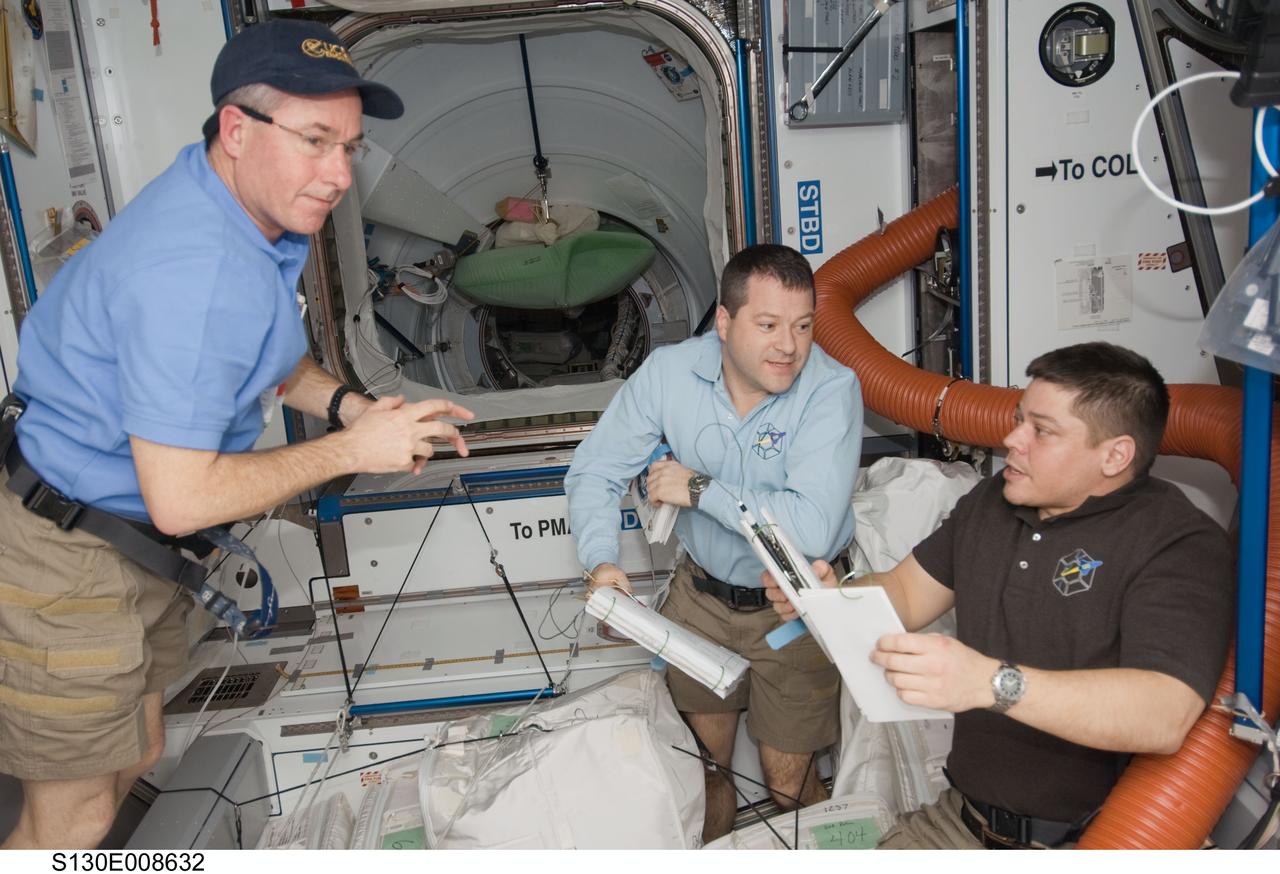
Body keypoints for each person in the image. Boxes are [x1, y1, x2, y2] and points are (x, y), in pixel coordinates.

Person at [0, 20, 473, 849]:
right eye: (316, 141)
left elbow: (279, 364)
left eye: (350, 148)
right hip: (63, 557)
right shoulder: (193, 272)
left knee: (139, 750)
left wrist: (350, 409)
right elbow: (182, 500)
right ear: (237, 129)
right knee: (66, 821)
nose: (336, 176)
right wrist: (353, 454)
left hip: (128, 547)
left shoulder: (246, 217)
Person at [764, 342, 1234, 849]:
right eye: (1018, 419)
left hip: (1092, 839)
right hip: (961, 819)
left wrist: (991, 683)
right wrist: (829, 598)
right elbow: (903, 593)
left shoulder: (1177, 544)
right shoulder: (992, 502)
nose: (1012, 439)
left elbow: (1163, 713)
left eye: (1042, 431)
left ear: (1115, 455)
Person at [564, 243, 864, 841]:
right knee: (704, 773)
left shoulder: (832, 390)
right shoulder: (670, 374)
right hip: (700, 601)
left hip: (795, 608)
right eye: (769, 324)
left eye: (803, 326)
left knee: (788, 787)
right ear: (725, 323)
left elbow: (810, 531)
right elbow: (595, 470)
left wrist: (702, 489)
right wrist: (600, 562)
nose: (789, 345)